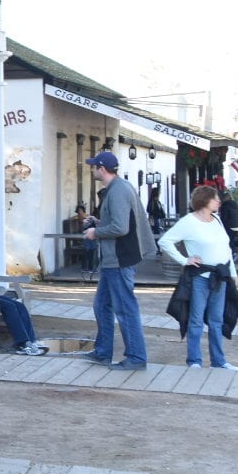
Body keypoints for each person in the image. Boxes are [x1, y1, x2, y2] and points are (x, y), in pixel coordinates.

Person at [83, 150, 156, 369]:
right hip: (113, 259)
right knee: (102, 305)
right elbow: (119, 221)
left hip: (119, 258)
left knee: (125, 308)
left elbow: (120, 227)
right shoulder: (118, 188)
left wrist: (95, 232)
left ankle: (136, 357)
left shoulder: (116, 192)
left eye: (94, 166)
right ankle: (103, 351)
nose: (92, 169)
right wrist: (98, 220)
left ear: (102, 169)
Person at [156, 185, 238, 371]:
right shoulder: (189, 222)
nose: (219, 201)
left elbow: (226, 249)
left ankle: (219, 361)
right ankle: (194, 360)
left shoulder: (217, 219)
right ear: (204, 200)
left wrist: (232, 273)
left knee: (217, 320)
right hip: (200, 277)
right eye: (215, 198)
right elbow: (164, 241)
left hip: (220, 277)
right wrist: (184, 260)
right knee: (196, 320)